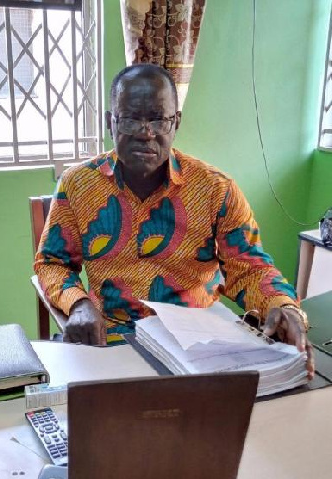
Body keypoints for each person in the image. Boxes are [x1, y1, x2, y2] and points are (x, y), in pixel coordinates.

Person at [34, 63, 314, 377]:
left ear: (176, 122)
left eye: (158, 118)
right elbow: (51, 262)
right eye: (130, 118)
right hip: (111, 341)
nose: (145, 132)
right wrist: (79, 303)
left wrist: (285, 307)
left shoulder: (214, 189)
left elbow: (249, 267)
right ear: (109, 122)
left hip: (198, 348)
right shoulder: (78, 185)